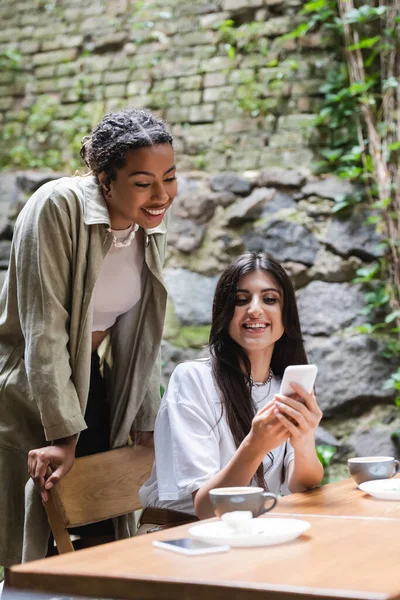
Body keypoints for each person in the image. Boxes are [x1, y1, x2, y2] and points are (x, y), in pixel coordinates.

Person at [0, 107, 177, 571]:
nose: (161, 195)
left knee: (104, 524)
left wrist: (146, 419)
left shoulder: (149, 224)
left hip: (87, 381)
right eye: (143, 182)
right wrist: (62, 433)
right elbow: (44, 331)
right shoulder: (57, 207)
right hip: (27, 387)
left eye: (170, 178)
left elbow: (143, 331)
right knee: (34, 544)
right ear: (104, 179)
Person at [138, 252, 323, 531]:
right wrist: (255, 444)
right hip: (181, 535)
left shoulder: (285, 385)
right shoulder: (193, 380)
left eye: (270, 299)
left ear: (286, 317)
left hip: (249, 533)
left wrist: (304, 438)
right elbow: (206, 508)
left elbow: (302, 485)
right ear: (225, 313)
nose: (255, 309)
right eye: (241, 300)